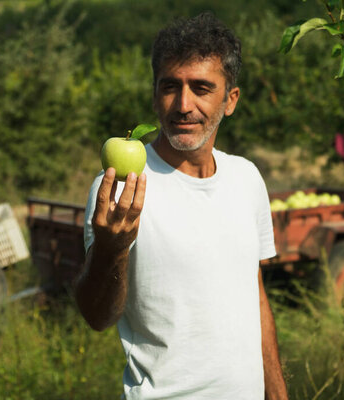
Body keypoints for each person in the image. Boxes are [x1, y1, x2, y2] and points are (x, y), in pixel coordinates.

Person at [76, 12, 288, 400]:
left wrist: (277, 392)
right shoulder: (125, 188)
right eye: (170, 86)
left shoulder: (246, 179)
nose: (183, 104)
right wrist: (111, 249)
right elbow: (97, 316)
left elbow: (254, 295)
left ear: (230, 100)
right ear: (155, 94)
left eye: (202, 88)